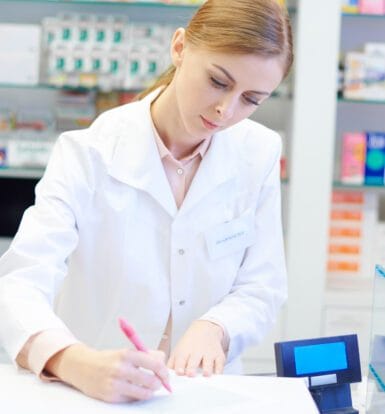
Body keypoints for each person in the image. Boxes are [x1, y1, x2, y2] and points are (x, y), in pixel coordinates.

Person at [0, 0, 293, 404]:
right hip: (92, 394)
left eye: (252, 99)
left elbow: (263, 285)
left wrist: (216, 326)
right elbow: (19, 283)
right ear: (179, 48)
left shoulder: (258, 152)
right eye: (218, 82)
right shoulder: (87, 154)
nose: (226, 111)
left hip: (201, 393)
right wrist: (72, 360)